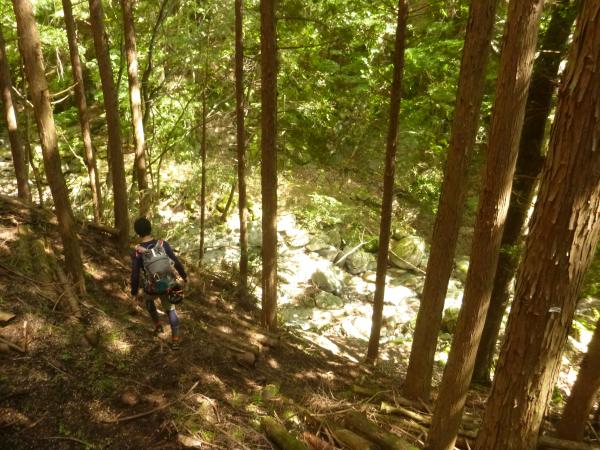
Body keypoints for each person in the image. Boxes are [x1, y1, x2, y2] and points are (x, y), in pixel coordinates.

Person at [130, 217, 188, 349]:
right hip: (168, 284)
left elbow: (135, 274)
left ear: (137, 233)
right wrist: (184, 276)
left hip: (152, 287)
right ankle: (175, 340)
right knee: (171, 310)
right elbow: (176, 262)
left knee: (149, 301)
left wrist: (134, 292)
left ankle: (158, 326)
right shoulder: (162, 244)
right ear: (150, 229)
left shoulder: (138, 251)